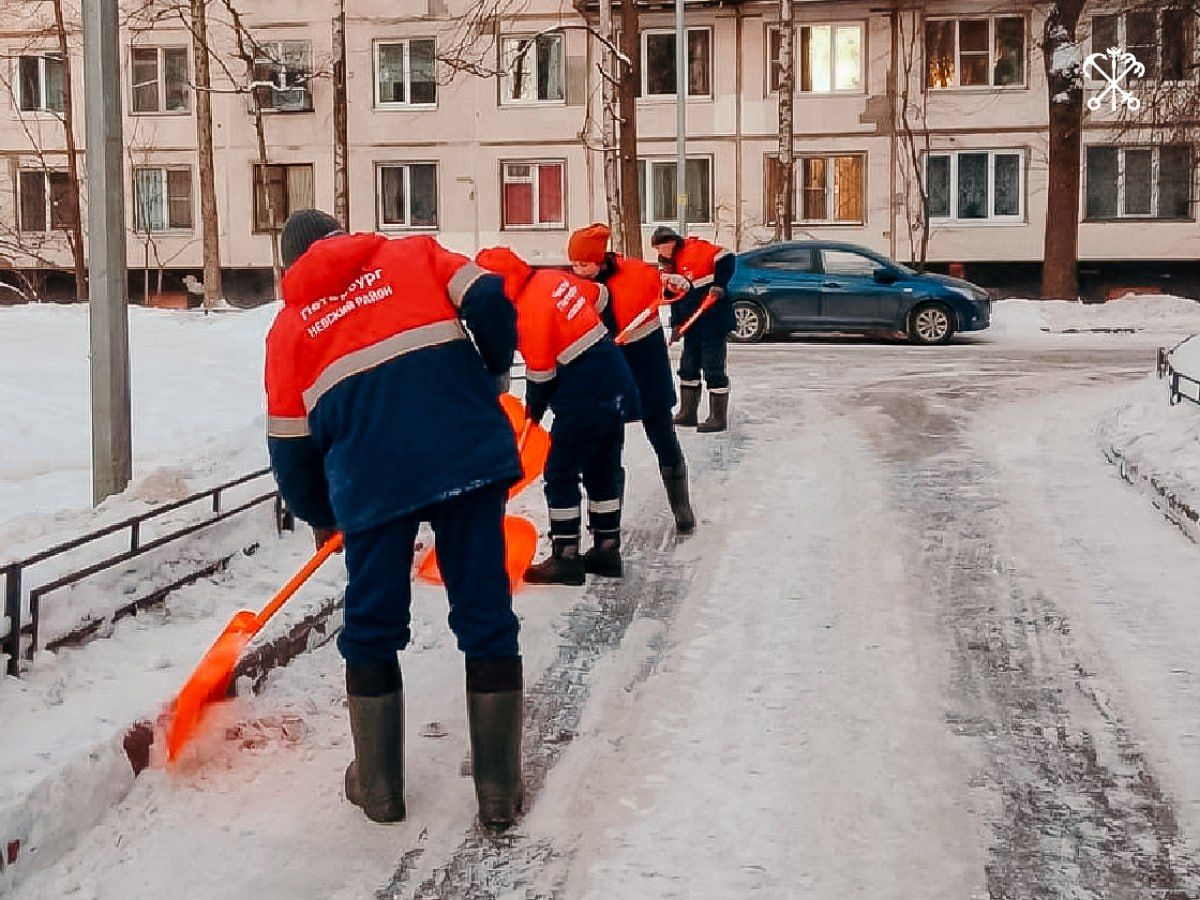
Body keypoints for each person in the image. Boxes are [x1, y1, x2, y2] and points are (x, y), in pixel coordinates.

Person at [265, 209, 524, 830]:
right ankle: (498, 793)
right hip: (465, 450)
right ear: (341, 236)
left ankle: (379, 791)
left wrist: (324, 515)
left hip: (371, 481)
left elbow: (290, 446)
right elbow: (489, 296)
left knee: (372, 623)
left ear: (291, 261)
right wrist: (488, 372)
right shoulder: (414, 256)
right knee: (485, 611)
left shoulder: (289, 330)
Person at [475, 246, 639, 584]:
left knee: (561, 471)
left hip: (586, 392)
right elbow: (602, 296)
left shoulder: (526, 312)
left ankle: (565, 557)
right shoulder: (552, 277)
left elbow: (541, 374)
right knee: (601, 467)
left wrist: (534, 406)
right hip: (615, 376)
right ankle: (607, 550)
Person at [567, 223, 695, 534]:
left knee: (661, 433)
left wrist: (678, 283)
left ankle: (681, 507)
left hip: (645, 362)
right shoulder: (573, 284)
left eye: (583, 264)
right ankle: (608, 520)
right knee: (610, 444)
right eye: (574, 263)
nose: (578, 270)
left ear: (599, 259)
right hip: (607, 367)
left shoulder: (635, 272)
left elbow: (668, 287)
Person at [649, 226, 736, 433]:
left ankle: (717, 417)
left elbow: (726, 257)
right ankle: (688, 413)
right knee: (688, 366)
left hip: (713, 321)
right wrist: (676, 325)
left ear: (670, 242)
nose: (659, 254)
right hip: (692, 325)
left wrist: (720, 284)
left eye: (660, 248)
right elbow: (675, 299)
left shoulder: (696, 250)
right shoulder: (669, 267)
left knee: (712, 367)